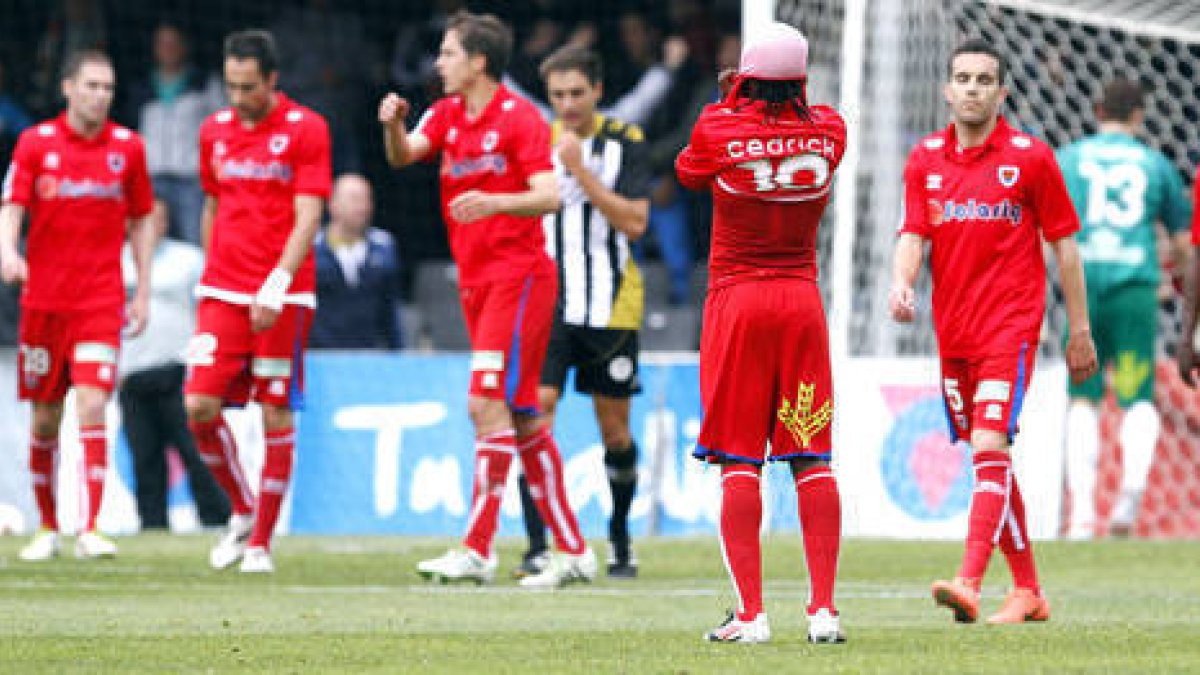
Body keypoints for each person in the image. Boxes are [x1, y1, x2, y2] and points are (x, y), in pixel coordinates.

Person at [378, 10, 596, 588]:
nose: (439, 63)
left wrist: (494, 202)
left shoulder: (520, 118)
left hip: (518, 279)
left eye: (449, 53)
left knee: (484, 404)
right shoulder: (446, 113)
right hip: (477, 281)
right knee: (523, 419)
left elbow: (549, 195)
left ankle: (477, 549)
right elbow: (403, 155)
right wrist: (393, 126)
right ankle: (575, 551)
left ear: (478, 61)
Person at [890, 39, 1098, 625]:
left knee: (988, 444)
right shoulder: (925, 159)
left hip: (1010, 328)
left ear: (1002, 92)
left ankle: (969, 581)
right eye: (964, 78)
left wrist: (1079, 329)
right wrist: (901, 283)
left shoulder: (1031, 158)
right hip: (953, 333)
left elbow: (1065, 248)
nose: (973, 89)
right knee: (992, 458)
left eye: (985, 80)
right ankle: (1028, 591)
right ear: (947, 90)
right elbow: (912, 234)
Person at [675, 22, 847, 644]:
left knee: (740, 458)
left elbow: (688, 172)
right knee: (811, 456)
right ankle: (823, 612)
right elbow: (799, 124)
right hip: (801, 303)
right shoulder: (831, 130)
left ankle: (751, 615)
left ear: (745, 75)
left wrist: (730, 99)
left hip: (739, 302)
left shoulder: (717, 126)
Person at [185, 30, 331, 574]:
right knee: (198, 405)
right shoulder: (214, 131)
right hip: (223, 290)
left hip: (283, 292)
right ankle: (243, 509)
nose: (239, 97)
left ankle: (262, 542)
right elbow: (212, 204)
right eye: (231, 86)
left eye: (249, 87)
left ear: (272, 79)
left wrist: (277, 281)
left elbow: (309, 215)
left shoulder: (306, 128)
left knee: (274, 409)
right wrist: (211, 268)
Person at [0, 49, 155, 560]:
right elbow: (12, 204)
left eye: (107, 88)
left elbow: (142, 218)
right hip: (44, 303)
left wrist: (143, 289)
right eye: (91, 85)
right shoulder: (35, 142)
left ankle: (90, 526)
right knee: (45, 419)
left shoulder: (128, 148)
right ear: (68, 88)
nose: (100, 96)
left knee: (92, 403)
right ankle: (48, 527)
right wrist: (7, 252)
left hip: (100, 301)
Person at [511, 46, 651, 580]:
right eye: (557, 95)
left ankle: (619, 535)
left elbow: (634, 224)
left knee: (614, 430)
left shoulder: (625, 141)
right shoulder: (533, 140)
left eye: (576, 93)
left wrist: (580, 172)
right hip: (548, 302)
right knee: (536, 413)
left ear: (597, 91)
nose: (567, 104)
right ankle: (537, 544)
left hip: (611, 306)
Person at [1057, 78, 1192, 540]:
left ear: (1097, 111)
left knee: (1083, 397)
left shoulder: (1069, 160)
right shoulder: (1155, 164)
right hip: (1134, 289)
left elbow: (1045, 230)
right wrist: (1178, 283)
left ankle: (1081, 516)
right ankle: (1129, 496)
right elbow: (1183, 242)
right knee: (1136, 394)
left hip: (1084, 289)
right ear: (1139, 116)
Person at [119, 203, 230, 530]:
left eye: (158, 219)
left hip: (177, 369)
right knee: (144, 455)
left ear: (167, 223)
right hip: (133, 373)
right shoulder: (115, 261)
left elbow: (209, 307)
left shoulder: (189, 259)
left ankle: (216, 519)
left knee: (195, 449)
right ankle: (152, 525)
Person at [126, 22, 224, 246]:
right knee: (148, 243)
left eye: (173, 43)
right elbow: (132, 134)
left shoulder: (204, 83)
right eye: (162, 43)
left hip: (190, 179)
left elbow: (224, 126)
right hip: (152, 178)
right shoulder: (141, 87)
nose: (168, 49)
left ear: (185, 46)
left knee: (196, 241)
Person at [311, 173, 403, 350]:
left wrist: (398, 353)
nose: (363, 206)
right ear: (332, 204)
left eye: (367, 199)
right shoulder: (311, 247)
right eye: (354, 198)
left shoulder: (384, 246)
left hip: (370, 356)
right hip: (320, 355)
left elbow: (391, 310)